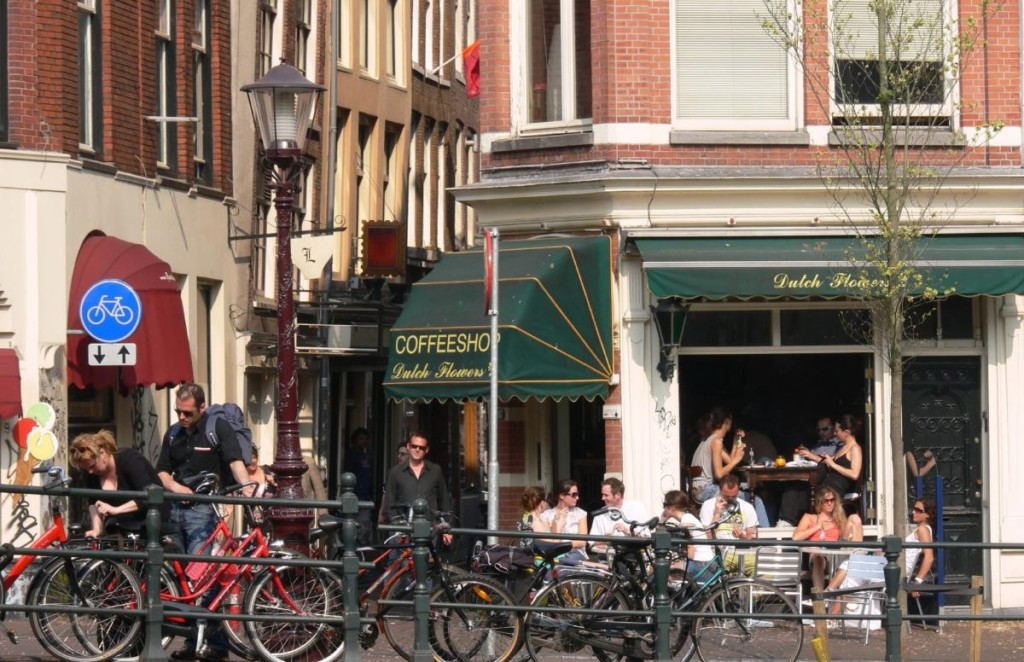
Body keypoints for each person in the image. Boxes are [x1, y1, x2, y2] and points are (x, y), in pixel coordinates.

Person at [156, 383, 252, 662]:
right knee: (182, 580)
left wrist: (247, 487)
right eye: (177, 412)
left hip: (202, 509)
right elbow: (162, 471)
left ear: (202, 408)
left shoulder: (217, 427)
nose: (181, 418)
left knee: (201, 576)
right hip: (175, 507)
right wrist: (175, 488)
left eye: (187, 413)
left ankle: (216, 645)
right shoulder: (173, 433)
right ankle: (192, 642)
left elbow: (234, 461)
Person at [69, 430, 169, 537]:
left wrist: (116, 510)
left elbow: (148, 496)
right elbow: (93, 503)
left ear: (102, 453)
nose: (90, 471)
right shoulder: (90, 473)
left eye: (92, 466)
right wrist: (96, 530)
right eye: (86, 468)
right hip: (120, 530)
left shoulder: (130, 459)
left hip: (152, 526)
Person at [382, 432, 453, 546]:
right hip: (402, 530)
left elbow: (444, 500)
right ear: (409, 447)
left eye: (421, 447)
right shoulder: (395, 472)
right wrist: (396, 527)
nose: (417, 449)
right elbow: (389, 502)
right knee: (401, 563)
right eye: (414, 446)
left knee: (426, 562)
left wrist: (447, 529)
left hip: (429, 529)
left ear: (427, 450)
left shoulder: (435, 470)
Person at [698, 474, 758, 574]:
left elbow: (752, 541)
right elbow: (707, 537)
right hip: (718, 552)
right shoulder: (708, 505)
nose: (730, 499)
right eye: (726, 496)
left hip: (742, 552)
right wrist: (717, 514)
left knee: (763, 574)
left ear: (738, 490)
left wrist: (741, 536)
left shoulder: (747, 507)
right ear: (720, 490)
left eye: (734, 496)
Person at [793, 486, 848, 590]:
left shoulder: (839, 520)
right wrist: (817, 527)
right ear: (819, 502)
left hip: (834, 556)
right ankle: (819, 598)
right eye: (826, 501)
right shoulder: (809, 518)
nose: (829, 503)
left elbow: (846, 538)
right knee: (818, 558)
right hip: (816, 557)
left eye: (832, 500)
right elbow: (796, 537)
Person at [589, 478, 652, 554]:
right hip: (607, 558)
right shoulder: (600, 514)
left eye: (606, 495)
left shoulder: (637, 508)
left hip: (633, 557)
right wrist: (605, 540)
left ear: (618, 495)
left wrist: (628, 531)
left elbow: (646, 538)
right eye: (602, 495)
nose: (602, 498)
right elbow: (591, 543)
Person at [535, 478, 589, 565]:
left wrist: (561, 545)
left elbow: (582, 542)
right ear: (562, 496)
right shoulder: (546, 515)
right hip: (554, 553)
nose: (577, 497)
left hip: (575, 553)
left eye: (577, 494)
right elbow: (546, 540)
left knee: (563, 561)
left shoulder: (580, 514)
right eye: (574, 495)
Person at [661, 489, 714, 578]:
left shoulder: (686, 522)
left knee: (657, 567)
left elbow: (691, 554)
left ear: (672, 507)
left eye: (664, 505)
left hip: (700, 564)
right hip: (703, 563)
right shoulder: (688, 517)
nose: (663, 509)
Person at [818, 414, 864, 497]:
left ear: (846, 432)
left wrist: (833, 465)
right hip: (829, 487)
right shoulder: (842, 447)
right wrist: (827, 459)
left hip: (839, 489)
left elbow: (855, 474)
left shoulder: (855, 448)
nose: (834, 434)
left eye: (837, 431)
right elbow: (830, 462)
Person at [378, 445, 411, 525]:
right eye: (398, 454)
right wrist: (381, 513)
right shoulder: (393, 472)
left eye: (403, 454)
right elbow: (386, 493)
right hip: (396, 514)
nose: (399, 456)